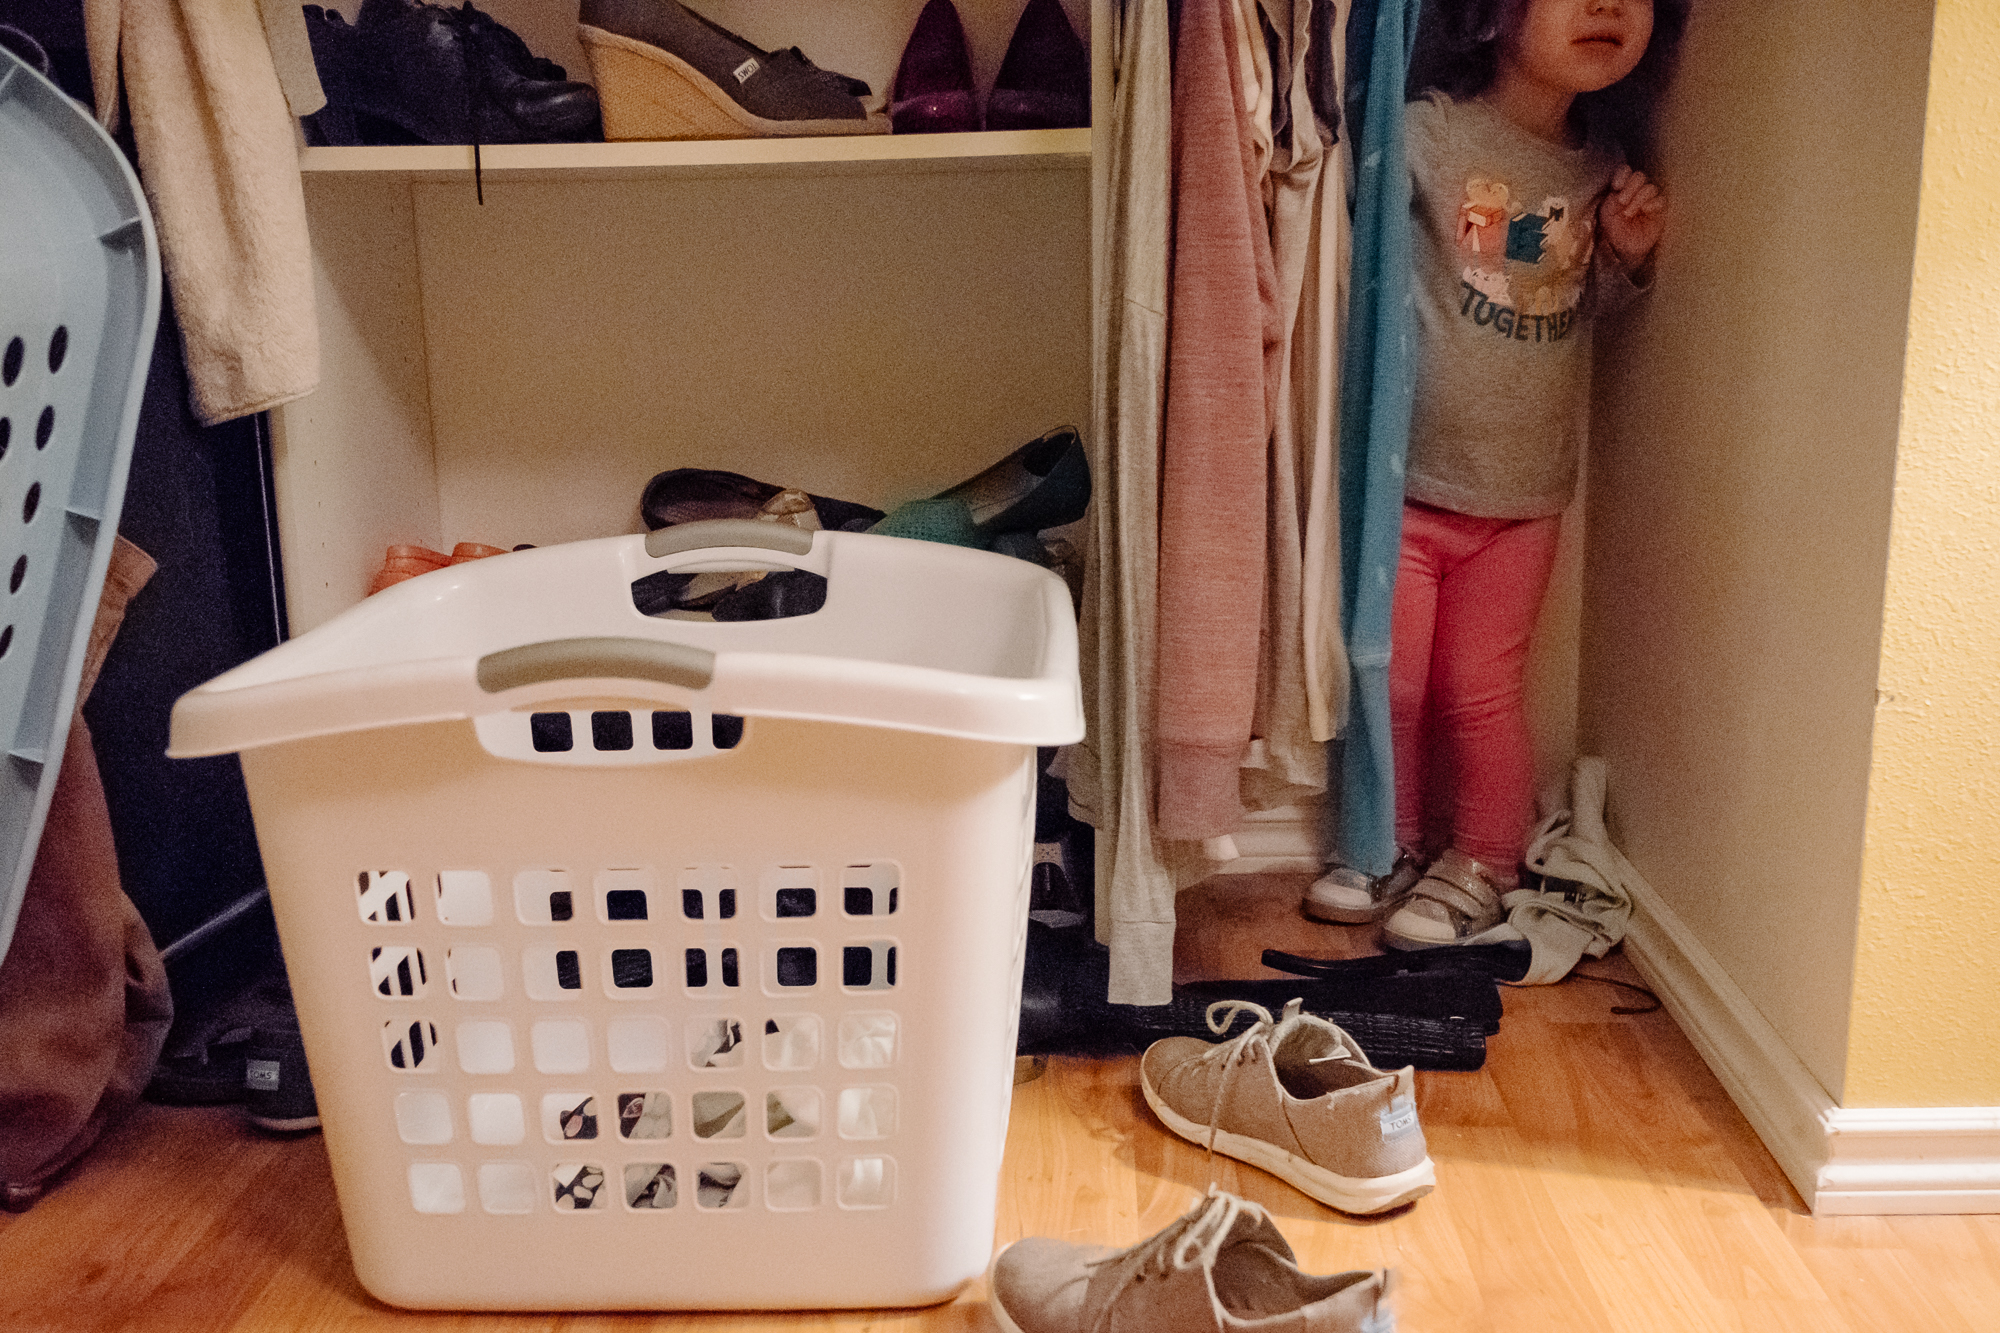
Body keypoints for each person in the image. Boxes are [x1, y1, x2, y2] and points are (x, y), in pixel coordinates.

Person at [1302, 0, 1687, 945]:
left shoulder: (1601, 165)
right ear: (1488, 16)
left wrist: (1627, 257)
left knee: (1481, 690)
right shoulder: (1429, 131)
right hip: (1410, 481)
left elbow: (1563, 299)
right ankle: (1386, 841)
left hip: (1523, 495)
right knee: (1387, 678)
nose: (1608, 8)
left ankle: (1482, 858)